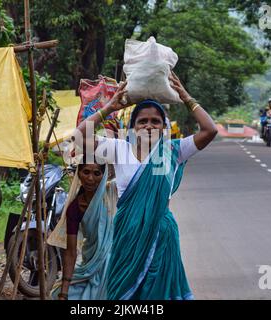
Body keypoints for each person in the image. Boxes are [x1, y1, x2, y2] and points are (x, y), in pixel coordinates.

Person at [73, 71, 217, 300]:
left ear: (164, 126)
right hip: (127, 233)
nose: (149, 125)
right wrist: (110, 107)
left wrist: (186, 97)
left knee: (158, 293)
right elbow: (80, 136)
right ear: (133, 126)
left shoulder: (173, 150)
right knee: (123, 292)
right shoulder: (119, 148)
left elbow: (210, 130)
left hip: (161, 234)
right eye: (143, 121)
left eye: (155, 121)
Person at [49, 161, 117, 300]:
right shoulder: (74, 208)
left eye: (96, 173)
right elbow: (71, 252)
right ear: (78, 174)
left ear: (104, 176)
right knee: (56, 294)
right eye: (86, 172)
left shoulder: (113, 193)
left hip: (116, 260)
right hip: (90, 263)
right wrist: (64, 292)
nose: (90, 178)